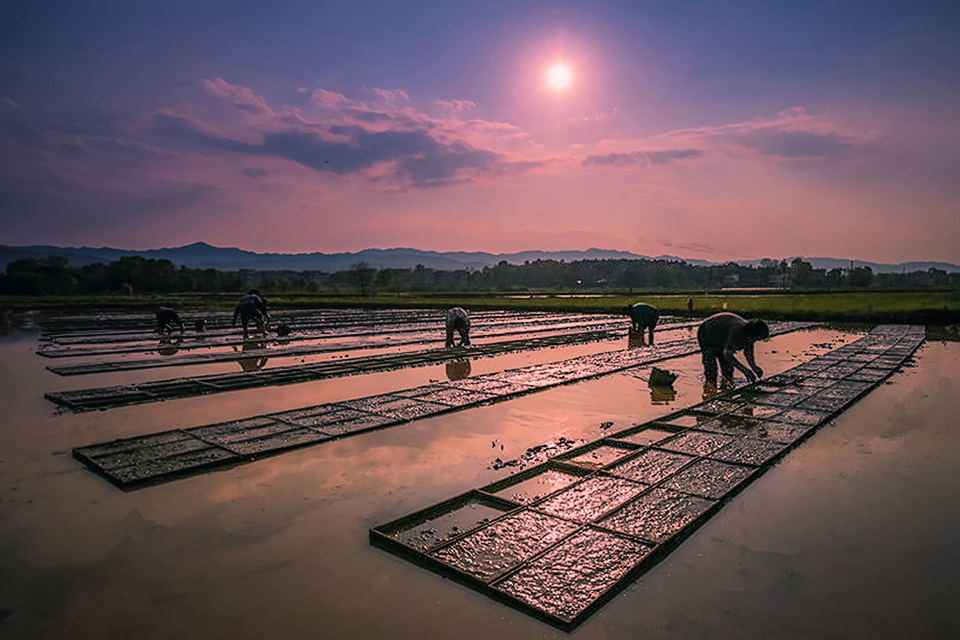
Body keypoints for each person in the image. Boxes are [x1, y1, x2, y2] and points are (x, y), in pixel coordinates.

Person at [696, 312, 769, 384]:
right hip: (706, 333)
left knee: (728, 369)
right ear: (752, 334)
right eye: (757, 338)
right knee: (711, 368)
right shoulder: (736, 330)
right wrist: (745, 371)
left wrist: (754, 367)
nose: (755, 341)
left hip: (722, 338)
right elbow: (727, 354)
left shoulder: (749, 337)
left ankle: (725, 386)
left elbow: (748, 352)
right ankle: (710, 388)